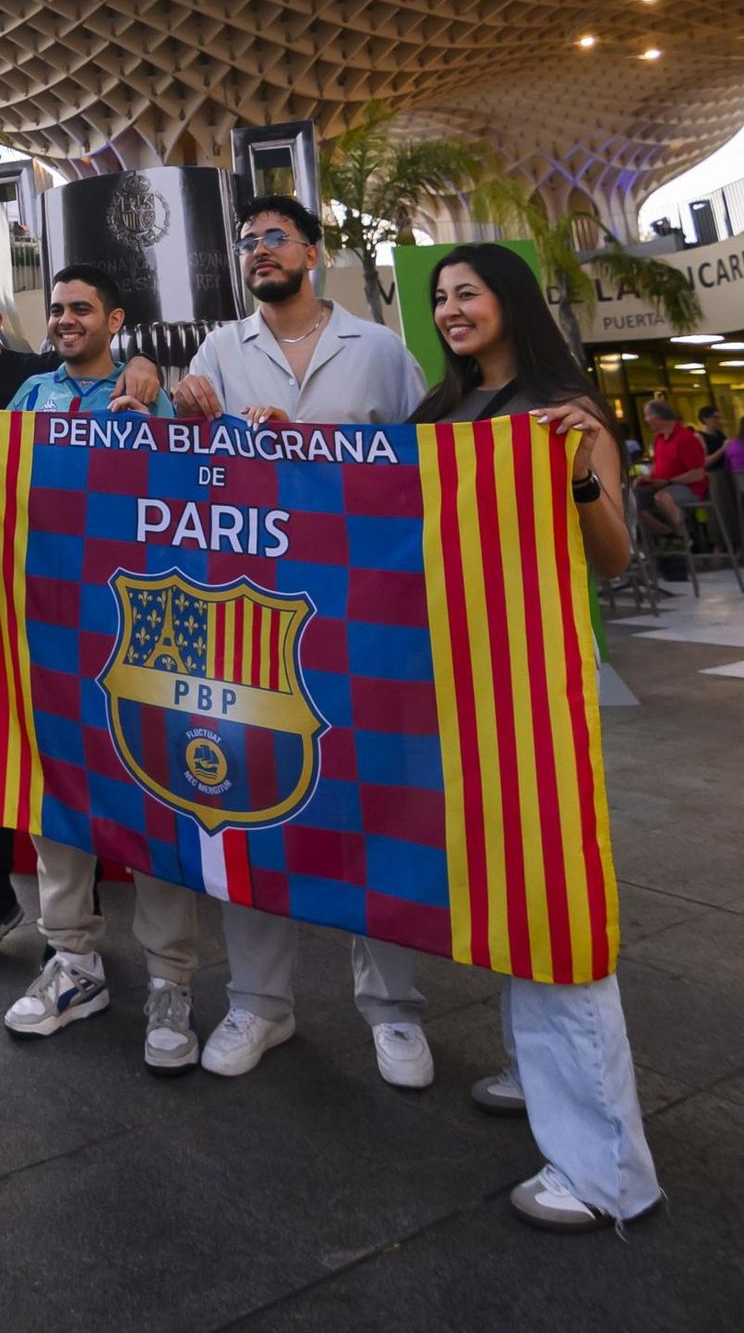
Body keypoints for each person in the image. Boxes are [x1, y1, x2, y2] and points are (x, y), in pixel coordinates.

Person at [412, 244, 660, 1231]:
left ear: (507, 300)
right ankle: (534, 1070)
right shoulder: (439, 417)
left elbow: (610, 560)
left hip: (535, 689)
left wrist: (582, 478)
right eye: (439, 298)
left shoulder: (565, 412)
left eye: (466, 292)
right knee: (507, 889)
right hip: (458, 684)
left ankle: (605, 1169)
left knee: (553, 897)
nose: (450, 309)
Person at [172, 196, 434, 1091]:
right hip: (256, 618)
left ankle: (393, 1012)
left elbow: (420, 469)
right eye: (246, 244)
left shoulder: (382, 352)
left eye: (273, 239)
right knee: (254, 801)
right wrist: (177, 408)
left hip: (363, 616)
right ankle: (259, 1002)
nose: (256, 252)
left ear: (314, 255)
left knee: (373, 804)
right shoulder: (217, 352)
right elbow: (187, 469)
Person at [0, 264, 197, 1075]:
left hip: (141, 630)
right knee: (56, 796)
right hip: (50, 627)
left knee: (155, 799)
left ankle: (172, 980)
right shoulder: (30, 397)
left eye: (81, 308)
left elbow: (190, 489)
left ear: (116, 318)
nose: (65, 320)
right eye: (55, 309)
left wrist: (149, 407)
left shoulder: (153, 391)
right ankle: (74, 962)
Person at [0, 266, 161, 968]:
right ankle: (26, 916)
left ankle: (157, 960)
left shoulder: (55, 378)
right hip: (10, 610)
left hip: (116, 615)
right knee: (7, 750)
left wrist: (145, 371)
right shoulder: (14, 395)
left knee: (129, 763)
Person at [636, 401, 708, 565]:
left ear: (658, 416)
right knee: (634, 503)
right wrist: (649, 478)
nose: (646, 420)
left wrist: (667, 481)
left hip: (689, 487)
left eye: (648, 415)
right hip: (663, 484)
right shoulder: (659, 439)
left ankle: (682, 537)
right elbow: (659, 465)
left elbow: (697, 473)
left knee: (663, 497)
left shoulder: (685, 438)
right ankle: (670, 534)